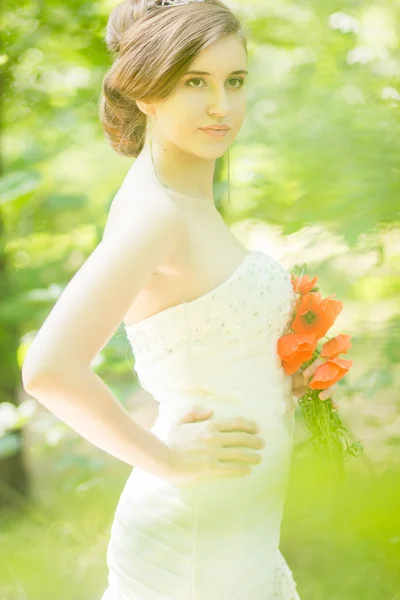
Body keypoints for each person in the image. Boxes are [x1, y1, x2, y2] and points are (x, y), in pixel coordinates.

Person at [22, 0, 302, 597]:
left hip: (239, 518)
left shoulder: (186, 197)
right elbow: (49, 369)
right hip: (196, 534)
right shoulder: (156, 213)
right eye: (194, 82)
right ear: (146, 92)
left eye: (235, 81)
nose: (222, 105)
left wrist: (274, 375)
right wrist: (166, 459)